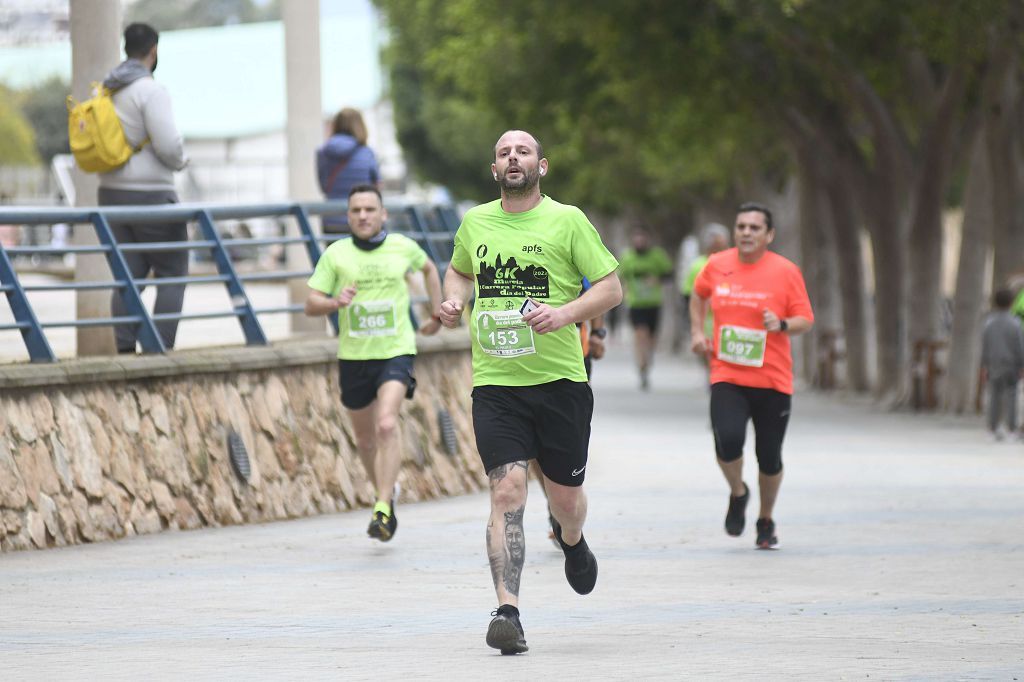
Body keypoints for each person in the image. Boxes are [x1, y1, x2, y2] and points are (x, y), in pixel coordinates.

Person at [438, 130, 621, 655]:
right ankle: (507, 612)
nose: (512, 158)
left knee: (564, 499)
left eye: (522, 151)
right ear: (494, 169)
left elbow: (611, 286)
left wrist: (563, 314)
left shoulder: (568, 220)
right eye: (502, 152)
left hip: (561, 383)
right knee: (507, 491)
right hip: (497, 384)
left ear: (542, 165)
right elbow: (458, 272)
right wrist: (452, 302)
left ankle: (572, 540)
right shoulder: (475, 222)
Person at [304, 184, 442, 541]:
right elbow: (311, 303)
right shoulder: (336, 254)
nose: (363, 216)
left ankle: (382, 505)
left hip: (396, 349)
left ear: (383, 214)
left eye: (369, 209)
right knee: (365, 440)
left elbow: (429, 268)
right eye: (356, 211)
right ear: (348, 217)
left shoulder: (402, 247)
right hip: (354, 356)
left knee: (385, 424)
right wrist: (336, 302)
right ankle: (387, 492)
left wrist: (435, 313)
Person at [690, 202, 813, 550]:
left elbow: (806, 318)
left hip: (773, 379)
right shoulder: (717, 265)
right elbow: (698, 297)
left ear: (769, 235)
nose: (746, 232)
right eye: (741, 226)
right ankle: (738, 491)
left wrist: (783, 324)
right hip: (727, 374)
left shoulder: (786, 271)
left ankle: (766, 518)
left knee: (769, 456)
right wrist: (698, 333)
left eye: (754, 228)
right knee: (727, 442)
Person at [99, 23, 189, 354]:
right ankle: (158, 351)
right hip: (152, 195)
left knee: (129, 276)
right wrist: (182, 160)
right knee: (172, 271)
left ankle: (124, 349)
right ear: (153, 50)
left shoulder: (108, 89)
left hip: (109, 196)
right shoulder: (150, 90)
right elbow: (168, 145)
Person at [618, 228, 673, 390]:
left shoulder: (657, 256)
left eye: (642, 239)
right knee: (640, 335)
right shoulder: (628, 257)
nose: (639, 242)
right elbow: (619, 276)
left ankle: (647, 361)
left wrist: (657, 279)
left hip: (653, 303)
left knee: (652, 339)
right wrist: (624, 288)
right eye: (637, 239)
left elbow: (669, 273)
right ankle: (641, 365)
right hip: (636, 304)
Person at [317, 108, 380, 234]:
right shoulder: (367, 153)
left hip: (332, 219)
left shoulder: (323, 152)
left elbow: (324, 187)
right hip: (363, 221)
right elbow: (376, 187)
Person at [682, 223, 731, 378]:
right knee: (706, 351)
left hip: (726, 318)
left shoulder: (732, 264)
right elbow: (689, 293)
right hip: (705, 318)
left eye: (720, 244)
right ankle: (710, 374)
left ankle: (717, 376)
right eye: (714, 244)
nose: (717, 247)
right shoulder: (698, 265)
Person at [980, 289, 1024, 441]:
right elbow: (1019, 346)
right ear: (1011, 303)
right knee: (1012, 396)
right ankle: (1011, 429)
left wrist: (984, 365)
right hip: (1011, 364)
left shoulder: (989, 323)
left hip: (993, 364)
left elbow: (985, 345)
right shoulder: (1016, 323)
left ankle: (992, 428)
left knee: (994, 397)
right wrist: (1021, 365)